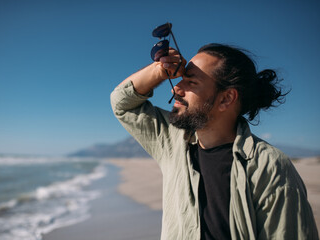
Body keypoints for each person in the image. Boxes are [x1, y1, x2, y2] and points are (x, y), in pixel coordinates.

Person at [110, 43, 319, 240]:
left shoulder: (269, 166)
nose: (176, 89)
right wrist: (159, 71)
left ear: (226, 99)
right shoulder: (173, 142)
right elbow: (122, 103)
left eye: (191, 82)